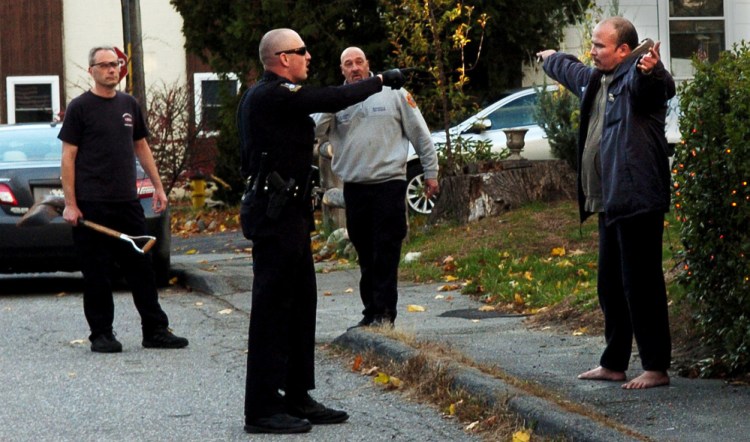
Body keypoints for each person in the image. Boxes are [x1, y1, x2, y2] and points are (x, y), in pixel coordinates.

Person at [237, 29, 406, 434]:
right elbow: (331, 98)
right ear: (281, 59)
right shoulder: (272, 94)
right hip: (274, 218)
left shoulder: (280, 94)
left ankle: (297, 395)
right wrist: (380, 80)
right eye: (301, 51)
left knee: (300, 308)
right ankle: (261, 408)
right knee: (272, 311)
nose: (309, 57)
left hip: (291, 217)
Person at [537, 17, 674, 389]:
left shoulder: (635, 80)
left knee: (641, 284)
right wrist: (550, 58)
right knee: (611, 285)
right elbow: (571, 70)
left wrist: (653, 71)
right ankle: (614, 363)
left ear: (624, 51)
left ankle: (656, 367)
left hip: (637, 199)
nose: (592, 51)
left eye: (600, 46)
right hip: (609, 201)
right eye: (593, 44)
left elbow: (658, 87)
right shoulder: (597, 80)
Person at [58, 46, 188, 354]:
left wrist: (158, 187)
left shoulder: (129, 104)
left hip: (127, 203)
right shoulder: (80, 108)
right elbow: (68, 157)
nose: (111, 69)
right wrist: (71, 204)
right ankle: (102, 334)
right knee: (97, 273)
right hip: (92, 205)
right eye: (104, 65)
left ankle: (155, 330)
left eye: (115, 64)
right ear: (91, 71)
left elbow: (141, 147)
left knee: (142, 268)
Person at [314, 47, 439, 328]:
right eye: (348, 64)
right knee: (365, 253)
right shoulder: (336, 100)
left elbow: (420, 134)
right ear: (342, 70)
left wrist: (431, 173)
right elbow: (315, 132)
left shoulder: (393, 93)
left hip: (389, 184)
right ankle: (370, 312)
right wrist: (332, 106)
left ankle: (385, 314)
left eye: (359, 62)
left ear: (368, 64)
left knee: (386, 250)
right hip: (355, 188)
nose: (355, 67)